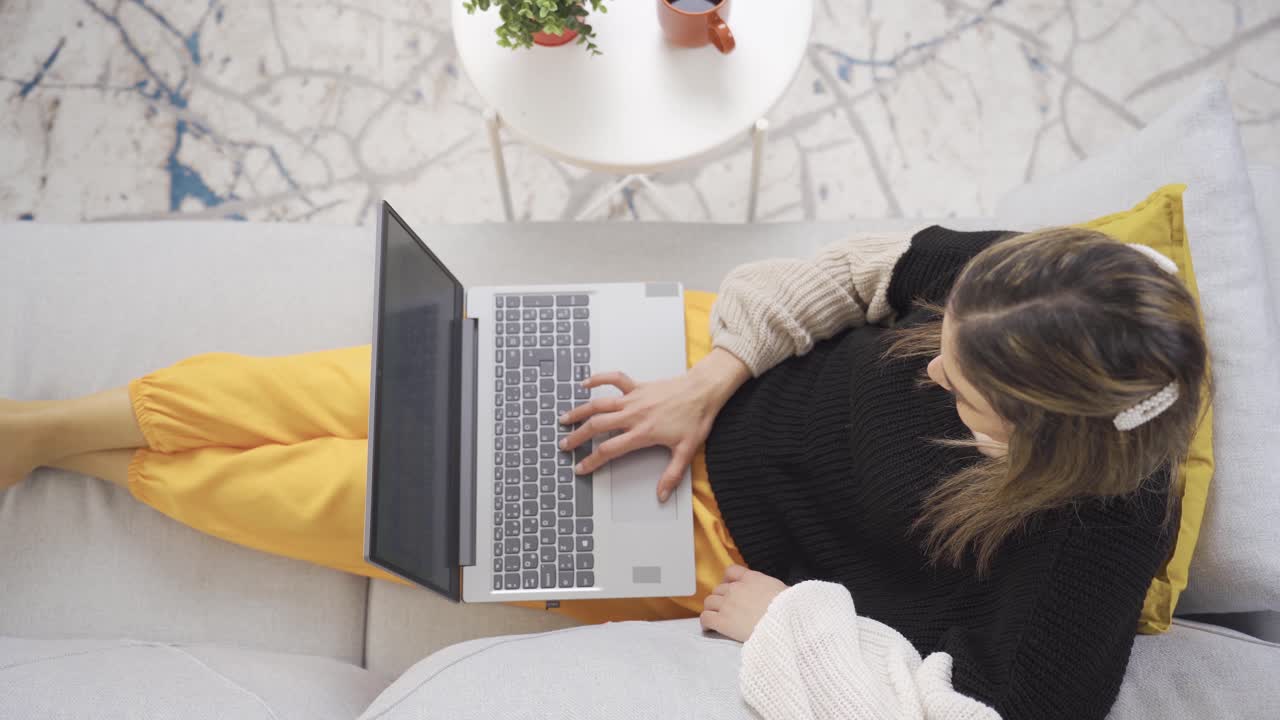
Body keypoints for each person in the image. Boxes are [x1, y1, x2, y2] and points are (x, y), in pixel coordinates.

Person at [1, 225, 1207, 719]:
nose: (928, 377)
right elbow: (860, 274)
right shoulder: (1041, 285)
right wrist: (716, 371)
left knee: (334, 497)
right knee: (341, 389)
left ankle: (101, 465)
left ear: (1048, 434)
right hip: (691, 374)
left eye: (957, 390)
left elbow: (984, 718)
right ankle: (48, 429)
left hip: (704, 541)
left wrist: (789, 622)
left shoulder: (1095, 537)